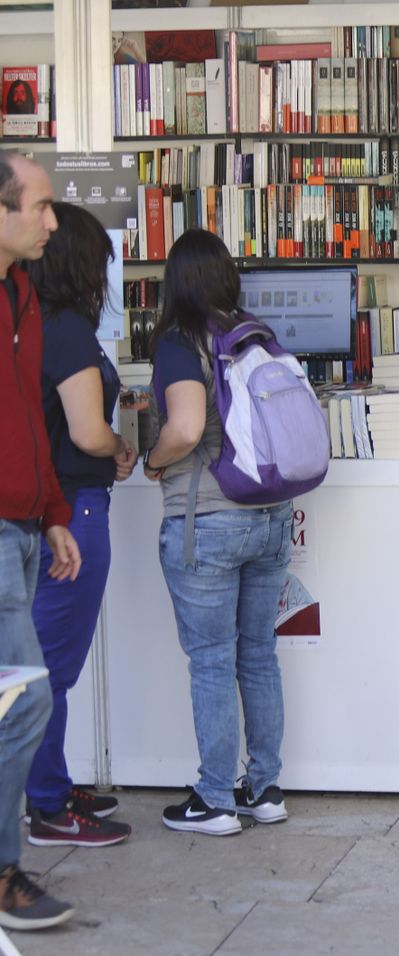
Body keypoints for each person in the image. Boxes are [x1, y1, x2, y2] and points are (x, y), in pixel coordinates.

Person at [144, 228, 294, 837]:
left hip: (207, 519)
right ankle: (264, 789)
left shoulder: (181, 343)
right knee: (258, 654)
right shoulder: (255, 333)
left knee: (211, 660)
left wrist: (154, 463)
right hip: (271, 514)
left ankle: (215, 799)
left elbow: (184, 428)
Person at [23, 202, 136, 847]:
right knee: (53, 668)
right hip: (75, 509)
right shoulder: (66, 328)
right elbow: (88, 430)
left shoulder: (39, 321)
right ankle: (47, 805)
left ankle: (52, 784)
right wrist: (119, 447)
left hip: (55, 503)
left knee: (45, 660)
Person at [0, 149, 81, 930]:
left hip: (25, 529)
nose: (52, 221)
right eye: (39, 205)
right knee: (24, 704)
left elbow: (27, 415)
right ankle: (3, 874)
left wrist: (53, 510)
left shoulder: (22, 293)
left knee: (17, 703)